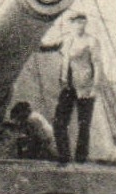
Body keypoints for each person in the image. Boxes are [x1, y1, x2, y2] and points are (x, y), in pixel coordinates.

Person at [39, 10, 103, 163]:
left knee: (83, 124)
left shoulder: (91, 42)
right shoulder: (66, 39)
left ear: (85, 23)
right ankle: (64, 156)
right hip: (67, 86)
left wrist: (95, 88)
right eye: (75, 22)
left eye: (81, 22)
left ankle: (81, 158)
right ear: (71, 24)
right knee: (59, 122)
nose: (78, 25)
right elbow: (47, 47)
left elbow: (98, 65)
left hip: (84, 86)